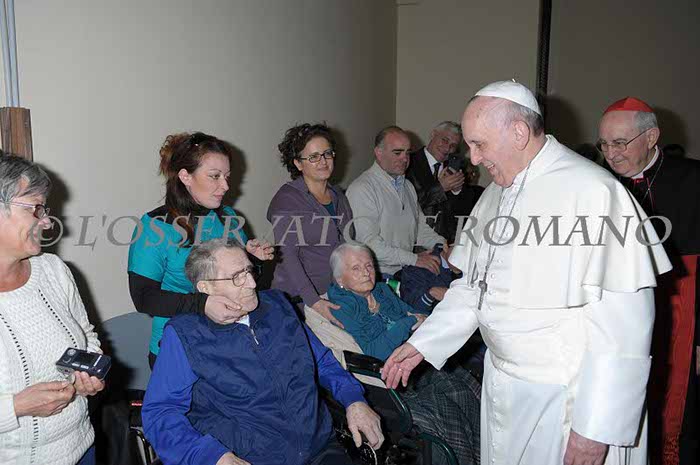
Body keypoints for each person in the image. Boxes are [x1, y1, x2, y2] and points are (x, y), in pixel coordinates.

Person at [382, 80, 672, 465]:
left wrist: (596, 429)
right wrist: (423, 344)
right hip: (503, 387)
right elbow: (473, 289)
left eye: (479, 144)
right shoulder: (496, 192)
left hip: (567, 401)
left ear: (519, 133)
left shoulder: (594, 192)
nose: (473, 158)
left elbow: (625, 330)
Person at [142, 240, 384, 465]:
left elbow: (320, 360)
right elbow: (160, 413)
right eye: (237, 277)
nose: (252, 283)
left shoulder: (278, 306)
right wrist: (211, 456)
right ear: (205, 287)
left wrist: (354, 399)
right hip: (249, 458)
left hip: (319, 446)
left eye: (249, 271)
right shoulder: (186, 334)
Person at [598, 97, 700, 465]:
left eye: (620, 143)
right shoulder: (597, 182)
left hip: (682, 312)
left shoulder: (693, 179)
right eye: (604, 144)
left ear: (652, 137)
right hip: (618, 315)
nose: (611, 154)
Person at [127, 132, 274, 368]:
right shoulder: (154, 227)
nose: (225, 186)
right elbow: (144, 298)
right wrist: (203, 304)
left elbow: (250, 285)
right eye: (215, 176)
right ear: (185, 176)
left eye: (226, 176)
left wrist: (256, 262)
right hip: (180, 348)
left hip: (231, 340)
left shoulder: (229, 217)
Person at [326, 242, 481, 465]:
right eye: (356, 268)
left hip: (414, 366)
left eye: (369, 265)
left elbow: (413, 313)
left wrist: (421, 320)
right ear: (340, 279)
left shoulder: (381, 290)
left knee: (463, 389)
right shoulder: (341, 308)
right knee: (449, 408)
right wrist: (407, 322)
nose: (366, 273)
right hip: (387, 381)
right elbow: (374, 351)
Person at [0, 155, 104, 465]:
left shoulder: (53, 270)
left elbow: (86, 335)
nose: (47, 221)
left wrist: (89, 372)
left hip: (81, 448)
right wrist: (16, 407)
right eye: (36, 208)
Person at [267, 123, 353, 328]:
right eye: (313, 157)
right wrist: (314, 301)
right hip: (299, 302)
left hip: (335, 294)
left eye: (327, 154)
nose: (323, 161)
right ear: (298, 163)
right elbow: (288, 256)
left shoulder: (339, 196)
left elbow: (348, 247)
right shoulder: (287, 200)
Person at [346, 126, 446, 278]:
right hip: (376, 278)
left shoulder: (407, 186)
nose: (405, 159)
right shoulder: (362, 188)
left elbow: (419, 230)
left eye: (408, 153)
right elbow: (369, 246)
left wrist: (443, 246)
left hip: (405, 273)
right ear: (378, 153)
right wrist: (414, 259)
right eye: (397, 153)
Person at [406, 121, 484, 244]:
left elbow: (466, 211)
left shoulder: (456, 167)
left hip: (448, 243)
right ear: (433, 134)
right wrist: (440, 188)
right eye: (444, 140)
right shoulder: (408, 162)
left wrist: (457, 191)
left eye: (453, 145)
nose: (447, 148)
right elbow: (406, 205)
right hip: (416, 242)